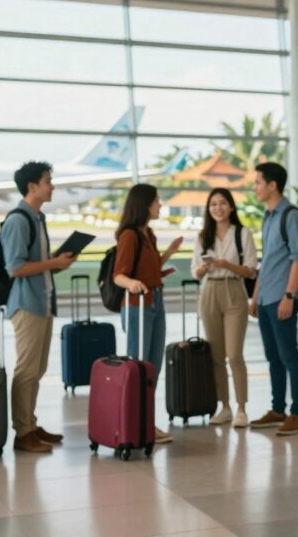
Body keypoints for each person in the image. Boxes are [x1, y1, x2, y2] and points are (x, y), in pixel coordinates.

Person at [2, 161, 77, 453]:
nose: (52, 186)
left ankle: (30, 424)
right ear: (32, 186)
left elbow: (37, 265)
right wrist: (53, 263)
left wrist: (57, 262)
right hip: (26, 304)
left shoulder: (37, 218)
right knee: (27, 369)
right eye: (48, 181)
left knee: (38, 368)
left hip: (42, 302)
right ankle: (22, 432)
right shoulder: (18, 220)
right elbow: (15, 267)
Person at [112, 184, 183, 445]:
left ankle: (146, 423)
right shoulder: (129, 236)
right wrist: (130, 283)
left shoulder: (148, 235)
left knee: (151, 368)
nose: (160, 205)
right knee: (137, 367)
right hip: (137, 305)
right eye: (156, 201)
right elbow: (119, 274)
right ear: (144, 205)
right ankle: (134, 423)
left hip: (155, 301)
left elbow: (149, 268)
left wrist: (168, 255)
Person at [247, 162, 298, 436]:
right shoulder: (268, 216)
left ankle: (297, 414)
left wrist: (289, 296)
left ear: (272, 185)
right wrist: (255, 296)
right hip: (266, 297)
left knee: (289, 356)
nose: (254, 187)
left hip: (283, 297)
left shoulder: (291, 216)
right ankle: (277, 409)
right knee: (273, 357)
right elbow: (267, 261)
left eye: (258, 182)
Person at [192, 188, 258, 428]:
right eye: (213, 205)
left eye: (222, 203)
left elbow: (250, 270)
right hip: (209, 291)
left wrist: (226, 264)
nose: (217, 208)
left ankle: (242, 408)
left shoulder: (242, 233)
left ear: (231, 207)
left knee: (234, 354)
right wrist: (204, 269)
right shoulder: (203, 237)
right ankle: (225, 407)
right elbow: (195, 270)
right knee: (216, 356)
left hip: (234, 292)